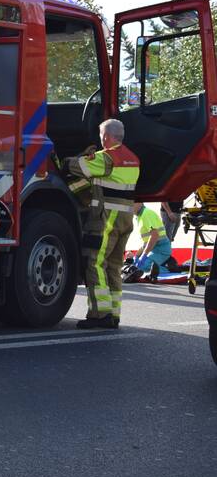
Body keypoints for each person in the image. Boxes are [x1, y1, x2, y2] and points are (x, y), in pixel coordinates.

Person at [64, 118, 140, 329]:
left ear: (106, 136)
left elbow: (78, 167)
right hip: (125, 218)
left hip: (107, 218)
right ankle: (114, 314)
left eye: (101, 135)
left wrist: (68, 159)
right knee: (114, 266)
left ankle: (99, 315)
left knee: (95, 263)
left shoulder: (106, 158)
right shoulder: (132, 158)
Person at [132, 203, 173, 279]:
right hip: (154, 249)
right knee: (136, 264)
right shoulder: (139, 217)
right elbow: (145, 242)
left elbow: (154, 235)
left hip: (161, 249)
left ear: (140, 203)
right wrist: (137, 256)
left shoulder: (146, 214)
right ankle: (160, 265)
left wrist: (143, 255)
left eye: (132, 203)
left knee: (144, 267)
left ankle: (171, 269)